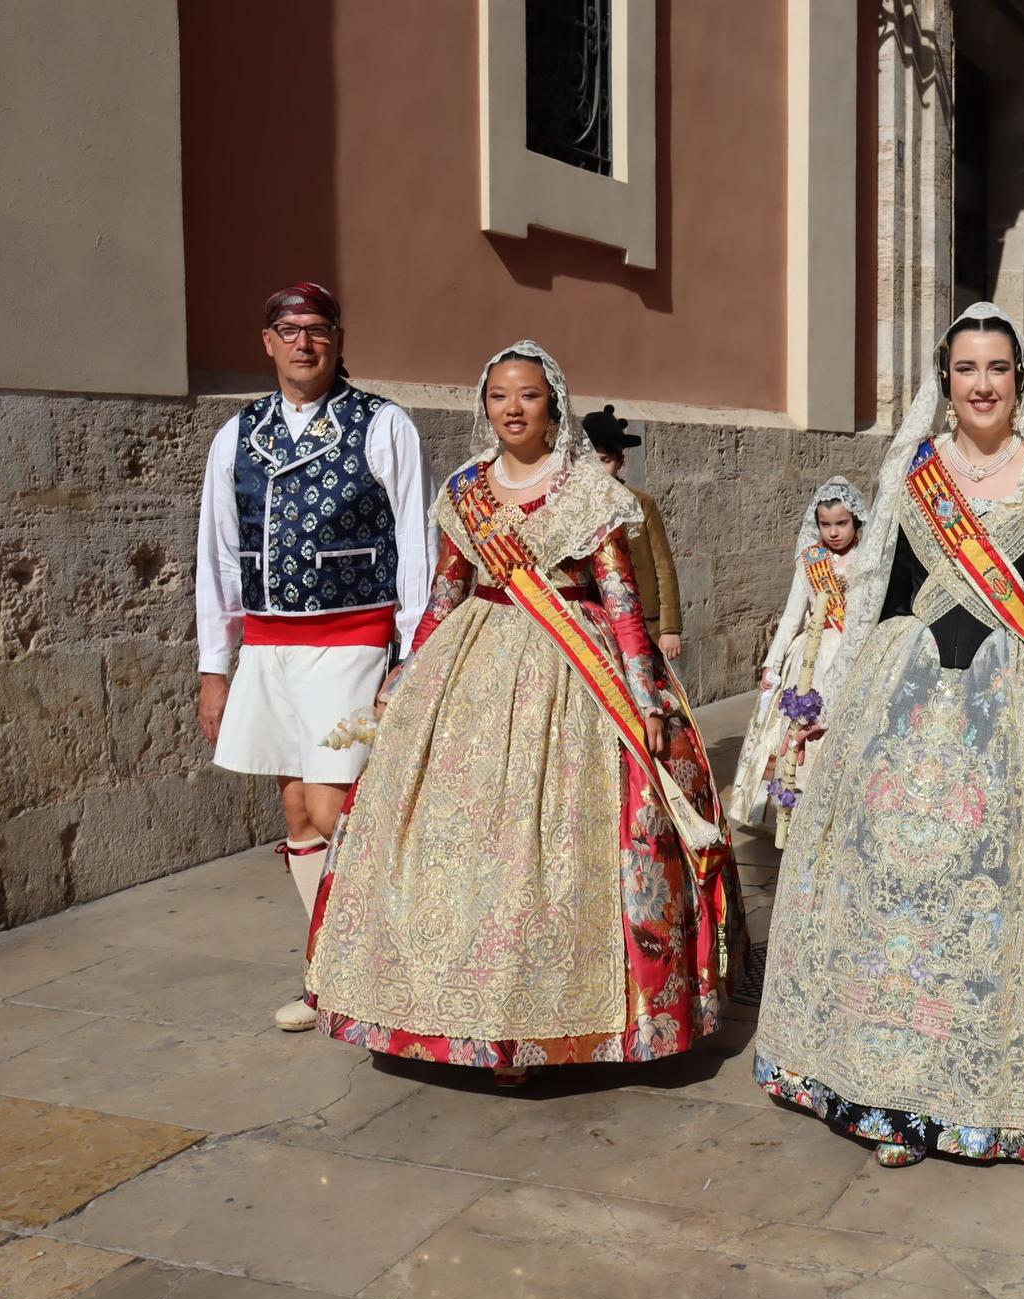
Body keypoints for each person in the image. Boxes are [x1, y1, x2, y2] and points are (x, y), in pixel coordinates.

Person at [756, 303, 1024, 1168]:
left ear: (1019, 380)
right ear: (945, 381)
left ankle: (997, 1088)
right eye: (967, 369)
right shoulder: (914, 475)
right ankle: (896, 1088)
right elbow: (882, 591)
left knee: (1011, 899)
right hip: (908, 711)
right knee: (901, 900)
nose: (983, 384)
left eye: (998, 368)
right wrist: (843, 706)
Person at [304, 342, 743, 1083]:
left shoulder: (588, 493)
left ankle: (551, 1026)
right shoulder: (466, 490)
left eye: (529, 395)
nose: (513, 407)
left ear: (554, 405)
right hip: (472, 666)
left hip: (574, 671)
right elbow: (445, 597)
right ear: (485, 405)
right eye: (500, 395)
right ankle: (460, 1015)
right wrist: (406, 676)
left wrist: (645, 694)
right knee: (457, 843)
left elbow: (622, 603)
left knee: (562, 844)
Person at [195, 282, 434, 1034]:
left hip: (356, 641)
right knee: (297, 808)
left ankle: (404, 961)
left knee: (338, 807)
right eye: (288, 329)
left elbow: (416, 549)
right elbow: (219, 558)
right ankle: (327, 970)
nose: (303, 342)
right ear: (267, 341)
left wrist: (415, 651)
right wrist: (214, 666)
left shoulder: (383, 423)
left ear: (338, 339)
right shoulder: (237, 436)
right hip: (269, 647)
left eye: (317, 329)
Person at [726, 478, 870, 838]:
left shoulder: (868, 559)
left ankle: (841, 809)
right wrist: (772, 663)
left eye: (841, 523)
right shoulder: (810, 561)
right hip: (811, 658)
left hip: (851, 652)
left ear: (855, 521)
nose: (834, 532)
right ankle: (799, 813)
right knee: (798, 733)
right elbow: (792, 614)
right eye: (826, 524)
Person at [584, 406, 683, 661]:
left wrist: (669, 627)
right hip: (593, 620)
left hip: (641, 622)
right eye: (591, 461)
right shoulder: (574, 508)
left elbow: (663, 567)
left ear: (619, 462)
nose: (598, 469)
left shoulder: (641, 503)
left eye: (605, 461)